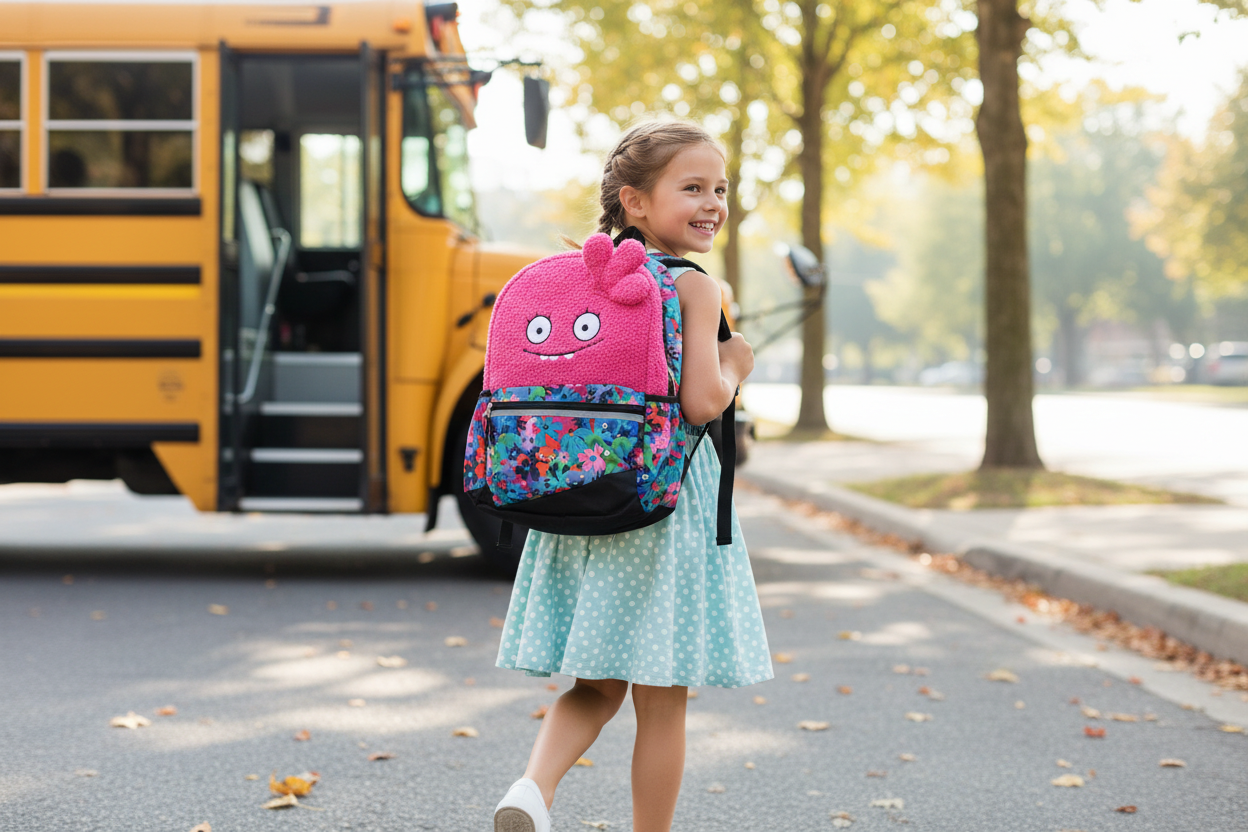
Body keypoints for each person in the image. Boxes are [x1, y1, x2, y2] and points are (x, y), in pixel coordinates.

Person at [491, 119, 773, 832]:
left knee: (593, 684)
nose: (712, 203)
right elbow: (704, 403)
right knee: (662, 699)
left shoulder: (581, 276)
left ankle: (533, 786)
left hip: (578, 490)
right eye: (693, 188)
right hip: (661, 505)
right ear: (635, 201)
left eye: (720, 188)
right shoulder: (690, 285)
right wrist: (737, 360)